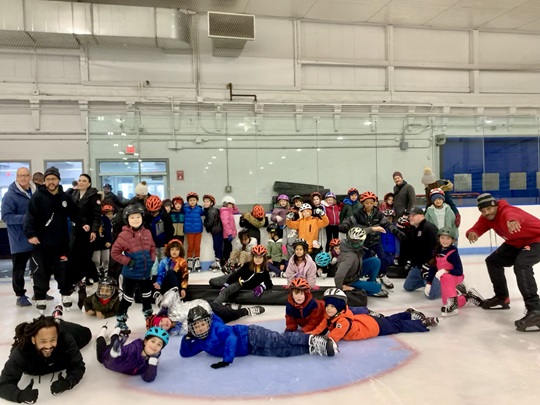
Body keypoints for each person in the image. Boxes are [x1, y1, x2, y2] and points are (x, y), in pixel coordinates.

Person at [466, 193, 540, 331]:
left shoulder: (506, 211)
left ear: (495, 206)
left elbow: (511, 215)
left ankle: (536, 310)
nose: (486, 213)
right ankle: (501, 297)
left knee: (522, 265)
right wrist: (472, 232)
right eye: (483, 210)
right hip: (516, 243)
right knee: (493, 261)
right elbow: (478, 227)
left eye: (488, 209)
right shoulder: (486, 218)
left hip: (537, 239)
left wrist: (511, 220)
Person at [179, 305, 337, 368]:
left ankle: (312, 339)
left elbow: (231, 339)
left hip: (250, 335)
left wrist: (226, 360)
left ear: (208, 322)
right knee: (280, 352)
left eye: (202, 324)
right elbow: (185, 353)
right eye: (196, 327)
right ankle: (311, 348)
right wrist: (186, 339)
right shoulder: (200, 342)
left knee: (278, 340)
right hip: (250, 349)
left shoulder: (217, 327)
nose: (200, 329)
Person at [24, 167, 80, 313]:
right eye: (48, 179)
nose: (50, 182)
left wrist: (85, 224)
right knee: (41, 271)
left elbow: (75, 214)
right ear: (45, 181)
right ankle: (40, 297)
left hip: (61, 243)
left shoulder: (65, 197)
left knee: (64, 270)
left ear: (58, 180)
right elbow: (30, 218)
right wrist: (31, 234)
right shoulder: (37, 197)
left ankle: (66, 294)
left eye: (53, 179)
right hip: (41, 244)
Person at [0, 312, 91, 403]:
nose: (48, 346)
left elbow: (78, 365)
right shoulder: (22, 352)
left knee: (87, 334)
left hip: (65, 328)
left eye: (52, 340)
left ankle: (57, 321)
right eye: (43, 341)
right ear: (33, 340)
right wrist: (20, 395)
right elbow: (3, 384)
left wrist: (69, 382)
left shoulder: (66, 340)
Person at [309, 289, 438, 343]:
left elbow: (332, 338)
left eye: (332, 306)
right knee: (389, 320)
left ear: (340, 307)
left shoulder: (342, 322)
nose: (328, 309)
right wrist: (308, 336)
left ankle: (422, 323)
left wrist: (312, 343)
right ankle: (408, 314)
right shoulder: (330, 316)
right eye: (328, 306)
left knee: (397, 326)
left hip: (374, 328)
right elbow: (320, 328)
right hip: (368, 321)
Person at [340, 190, 406, 289]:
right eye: (367, 203)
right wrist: (344, 226)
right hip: (363, 243)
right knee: (366, 260)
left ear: (374, 203)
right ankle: (369, 277)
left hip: (376, 241)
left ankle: (383, 275)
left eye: (371, 203)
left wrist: (396, 232)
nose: (369, 205)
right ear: (362, 203)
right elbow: (349, 220)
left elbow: (387, 224)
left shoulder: (378, 214)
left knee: (382, 258)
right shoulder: (358, 214)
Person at [111, 204, 156, 333]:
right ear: (127, 220)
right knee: (127, 298)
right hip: (130, 274)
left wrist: (151, 260)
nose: (136, 219)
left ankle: (149, 318)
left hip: (145, 273)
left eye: (138, 217)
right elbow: (115, 253)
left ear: (142, 218)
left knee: (147, 296)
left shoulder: (147, 232)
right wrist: (129, 262)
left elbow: (152, 248)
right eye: (132, 217)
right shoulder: (124, 236)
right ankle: (120, 321)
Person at [148, 288, 265, 336]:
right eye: (161, 327)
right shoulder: (175, 331)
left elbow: (174, 292)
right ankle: (228, 306)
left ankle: (246, 311)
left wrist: (164, 306)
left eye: (161, 321)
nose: (164, 324)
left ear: (162, 316)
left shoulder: (171, 310)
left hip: (208, 307)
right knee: (228, 318)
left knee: (232, 314)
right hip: (209, 320)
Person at [285, 278, 376, 333]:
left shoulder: (312, 304)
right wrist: (289, 330)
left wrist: (302, 332)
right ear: (291, 294)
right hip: (314, 319)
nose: (299, 297)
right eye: (296, 294)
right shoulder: (290, 305)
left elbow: (313, 322)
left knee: (346, 311)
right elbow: (290, 320)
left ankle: (365, 311)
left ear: (306, 293)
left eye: (301, 294)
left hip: (325, 310)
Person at [1, 167, 36, 307]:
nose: (23, 178)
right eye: (20, 176)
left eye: (26, 175)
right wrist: (27, 218)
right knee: (19, 269)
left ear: (30, 176)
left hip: (36, 237)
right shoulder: (10, 196)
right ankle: (20, 295)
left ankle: (40, 291)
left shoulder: (35, 192)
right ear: (16, 177)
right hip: (20, 239)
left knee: (39, 267)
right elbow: (6, 217)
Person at [433, 228, 483, 317]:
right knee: (445, 302)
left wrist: (445, 271)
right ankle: (467, 297)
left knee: (445, 276)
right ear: (439, 238)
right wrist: (429, 283)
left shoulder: (453, 253)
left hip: (455, 277)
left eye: (448, 238)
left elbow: (459, 271)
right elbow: (433, 266)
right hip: (445, 280)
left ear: (453, 240)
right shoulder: (437, 250)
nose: (445, 241)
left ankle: (453, 306)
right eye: (442, 238)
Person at [96, 325, 169, 383]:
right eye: (153, 341)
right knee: (102, 348)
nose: (155, 346)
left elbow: (148, 378)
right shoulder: (133, 348)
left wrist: (152, 364)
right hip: (105, 356)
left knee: (114, 343)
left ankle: (115, 334)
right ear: (145, 341)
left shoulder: (153, 358)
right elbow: (113, 360)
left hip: (116, 353)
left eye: (159, 344)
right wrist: (115, 353)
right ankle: (102, 334)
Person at [69, 173, 101, 300]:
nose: (81, 182)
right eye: (79, 180)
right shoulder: (74, 194)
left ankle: (95, 278)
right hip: (76, 230)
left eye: (84, 181)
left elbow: (97, 216)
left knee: (86, 257)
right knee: (74, 256)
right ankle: (78, 280)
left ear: (89, 183)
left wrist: (94, 231)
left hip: (88, 232)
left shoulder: (94, 197)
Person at [333, 227, 388, 297]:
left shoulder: (347, 242)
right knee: (377, 287)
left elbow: (360, 233)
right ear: (358, 242)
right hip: (350, 281)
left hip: (356, 270)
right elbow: (338, 275)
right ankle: (366, 290)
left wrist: (374, 229)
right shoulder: (349, 257)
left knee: (375, 261)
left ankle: (370, 282)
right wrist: (340, 288)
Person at [402, 207, 441, 300]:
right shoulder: (412, 229)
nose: (410, 217)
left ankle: (440, 283)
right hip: (419, 266)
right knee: (408, 286)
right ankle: (426, 281)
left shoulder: (430, 228)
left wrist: (431, 263)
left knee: (431, 295)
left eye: (413, 215)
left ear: (422, 216)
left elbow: (439, 246)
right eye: (409, 216)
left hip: (430, 266)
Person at [144, 195, 174, 280]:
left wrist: (167, 241)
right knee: (154, 262)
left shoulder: (166, 216)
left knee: (164, 261)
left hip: (164, 243)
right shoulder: (147, 218)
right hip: (152, 244)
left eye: (155, 211)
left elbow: (170, 230)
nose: (153, 214)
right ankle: (154, 279)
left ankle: (165, 278)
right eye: (151, 212)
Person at [182, 192, 204, 272]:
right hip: (189, 231)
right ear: (188, 201)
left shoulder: (199, 209)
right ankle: (190, 262)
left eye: (194, 200)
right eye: (190, 200)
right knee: (190, 247)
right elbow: (178, 207)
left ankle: (197, 261)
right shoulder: (185, 208)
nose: (192, 201)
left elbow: (206, 212)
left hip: (198, 230)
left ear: (197, 200)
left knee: (197, 246)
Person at [92, 204, 114, 279]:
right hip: (96, 243)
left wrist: (109, 241)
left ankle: (105, 271)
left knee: (106, 259)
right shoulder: (95, 219)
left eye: (111, 213)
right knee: (96, 259)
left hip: (105, 242)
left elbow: (109, 232)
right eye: (109, 213)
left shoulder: (107, 221)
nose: (111, 215)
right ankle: (97, 270)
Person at [203, 194, 224, 272]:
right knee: (216, 246)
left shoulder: (211, 211)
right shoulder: (211, 210)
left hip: (217, 231)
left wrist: (205, 223)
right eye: (204, 201)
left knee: (217, 247)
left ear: (211, 203)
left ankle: (218, 262)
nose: (205, 203)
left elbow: (209, 223)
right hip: (217, 230)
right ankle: (218, 261)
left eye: (207, 201)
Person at [220, 195, 239, 264]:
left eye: (232, 204)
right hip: (227, 234)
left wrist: (234, 206)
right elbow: (225, 223)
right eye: (229, 204)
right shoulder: (225, 212)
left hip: (229, 234)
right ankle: (226, 261)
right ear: (225, 204)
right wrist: (229, 233)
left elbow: (237, 211)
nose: (231, 206)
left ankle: (228, 260)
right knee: (227, 248)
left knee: (229, 248)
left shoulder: (229, 211)